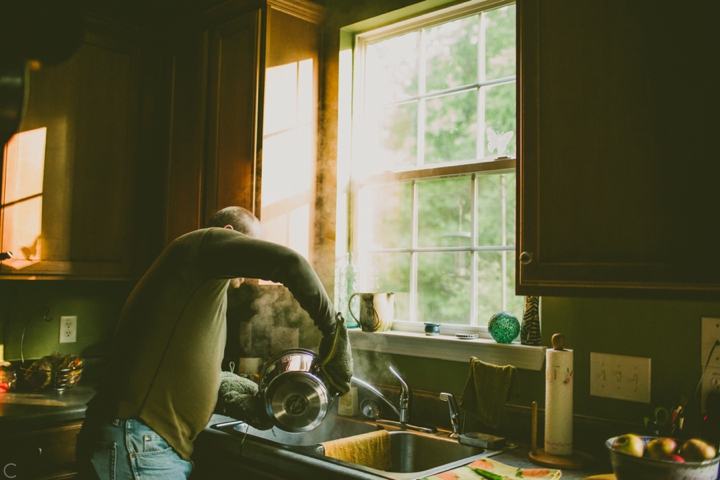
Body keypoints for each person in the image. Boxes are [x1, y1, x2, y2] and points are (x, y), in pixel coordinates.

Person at [76, 206, 352, 479]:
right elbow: (291, 263)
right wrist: (334, 331)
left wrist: (219, 385)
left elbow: (170, 365)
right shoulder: (203, 243)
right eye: (250, 245)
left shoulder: (199, 282)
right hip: (137, 442)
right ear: (227, 233)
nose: (251, 271)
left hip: (135, 442)